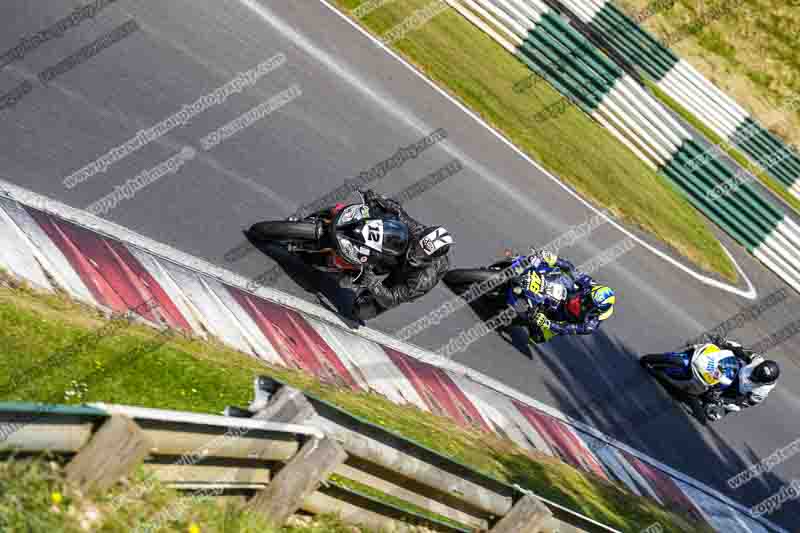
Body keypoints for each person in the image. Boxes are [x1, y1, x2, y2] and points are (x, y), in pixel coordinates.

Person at [352, 189, 453, 320]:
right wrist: (380, 200)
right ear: (420, 236)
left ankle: (363, 283)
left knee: (362, 310)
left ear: (430, 258)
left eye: (423, 252)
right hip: (400, 254)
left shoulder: (423, 280)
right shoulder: (419, 232)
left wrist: (373, 284)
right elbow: (400, 214)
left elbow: (392, 299)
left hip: (406, 274)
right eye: (419, 244)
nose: (418, 250)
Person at [514, 250, 616, 343]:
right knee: (556, 273)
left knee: (537, 338)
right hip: (568, 295)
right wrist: (553, 259)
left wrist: (547, 323)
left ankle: (523, 316)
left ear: (596, 311)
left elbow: (565, 328)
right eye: (588, 297)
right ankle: (527, 268)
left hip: (565, 317)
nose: (585, 301)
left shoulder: (590, 325)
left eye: (590, 304)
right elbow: (569, 268)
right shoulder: (591, 285)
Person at [703, 336, 780, 421]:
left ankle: (715, 404)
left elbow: (742, 403)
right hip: (735, 369)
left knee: (720, 411)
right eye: (756, 371)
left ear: (764, 382)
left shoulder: (761, 392)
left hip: (736, 391)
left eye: (758, 377)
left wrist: (722, 400)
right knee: (723, 352)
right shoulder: (757, 359)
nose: (755, 375)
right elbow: (740, 350)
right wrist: (725, 343)